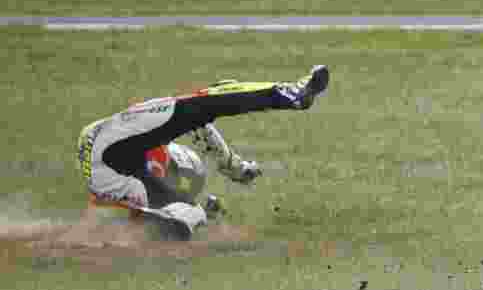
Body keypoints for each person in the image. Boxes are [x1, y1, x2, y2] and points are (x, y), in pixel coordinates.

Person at [76, 65, 329, 232]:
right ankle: (290, 94)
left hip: (109, 163)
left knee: (199, 107)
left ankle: (188, 218)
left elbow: (196, 121)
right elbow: (198, 123)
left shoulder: (136, 159)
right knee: (201, 105)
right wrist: (233, 168)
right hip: (110, 162)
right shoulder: (144, 152)